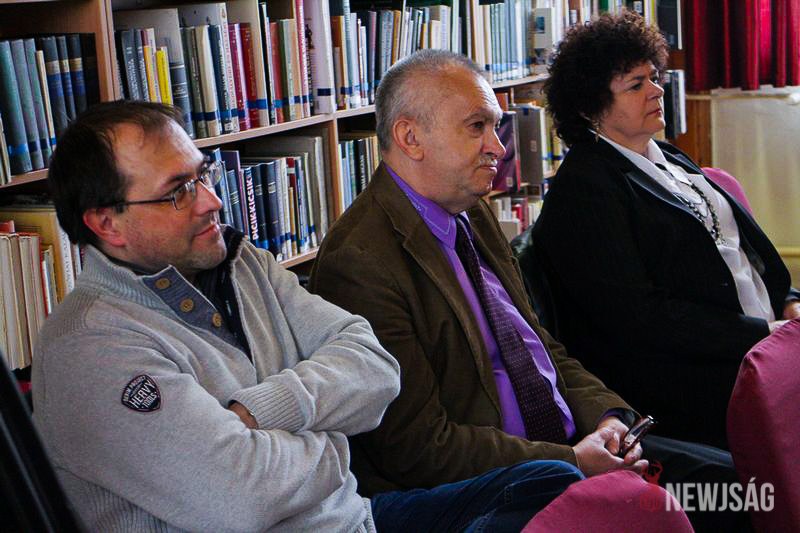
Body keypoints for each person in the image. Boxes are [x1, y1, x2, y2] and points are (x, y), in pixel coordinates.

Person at [33, 101, 585, 532]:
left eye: (202, 176)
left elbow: (374, 365)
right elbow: (243, 499)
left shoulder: (241, 262)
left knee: (554, 484)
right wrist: (333, 440)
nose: (211, 201)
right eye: (177, 193)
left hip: (356, 520)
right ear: (106, 224)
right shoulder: (92, 350)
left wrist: (260, 411)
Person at [309, 49, 750, 532]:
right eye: (477, 127)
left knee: (740, 489)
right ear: (410, 138)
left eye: (495, 127)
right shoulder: (361, 264)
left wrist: (608, 418)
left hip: (575, 446)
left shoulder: (471, 212)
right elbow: (419, 448)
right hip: (501, 487)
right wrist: (571, 460)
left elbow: (540, 347)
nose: (498, 147)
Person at [526, 11, 800, 451]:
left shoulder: (667, 157)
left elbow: (739, 248)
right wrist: (762, 334)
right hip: (696, 377)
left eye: (654, 77)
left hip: (765, 343)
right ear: (589, 106)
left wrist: (788, 302)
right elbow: (640, 317)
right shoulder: (584, 188)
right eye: (636, 85)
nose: (656, 90)